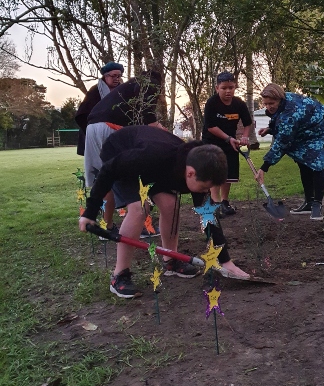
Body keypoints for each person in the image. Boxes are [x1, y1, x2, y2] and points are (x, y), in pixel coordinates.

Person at [79, 126, 250, 298]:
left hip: (156, 168)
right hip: (120, 153)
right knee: (140, 209)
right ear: (190, 173)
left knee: (170, 205)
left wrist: (225, 260)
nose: (205, 191)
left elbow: (208, 215)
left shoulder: (197, 166)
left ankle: (171, 261)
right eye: (205, 187)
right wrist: (90, 213)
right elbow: (108, 170)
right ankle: (119, 275)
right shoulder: (150, 156)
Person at [83, 70, 165, 235]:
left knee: (105, 175)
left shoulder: (128, 87)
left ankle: (108, 227)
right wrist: (165, 134)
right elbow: (149, 119)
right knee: (132, 175)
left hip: (92, 128)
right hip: (110, 127)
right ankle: (141, 226)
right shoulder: (149, 85)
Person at [256, 84, 324, 221]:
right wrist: (270, 128)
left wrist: (264, 167)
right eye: (266, 104)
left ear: (280, 99)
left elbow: (282, 143)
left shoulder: (291, 112)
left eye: (271, 103)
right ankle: (309, 202)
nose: (269, 107)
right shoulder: (286, 100)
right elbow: (280, 119)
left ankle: (317, 204)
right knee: (304, 162)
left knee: (318, 164)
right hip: (310, 132)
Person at [75, 61, 124, 232]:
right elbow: (81, 115)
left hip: (117, 137)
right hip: (98, 138)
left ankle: (117, 213)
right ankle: (105, 221)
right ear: (105, 76)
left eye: (119, 76)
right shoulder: (96, 91)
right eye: (113, 76)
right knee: (103, 177)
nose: (116, 79)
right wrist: (94, 133)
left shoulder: (122, 92)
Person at [202, 71, 252, 216]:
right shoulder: (212, 103)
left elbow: (247, 123)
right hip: (212, 142)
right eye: (224, 88)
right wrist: (228, 138)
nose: (228, 91)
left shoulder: (239, 104)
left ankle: (224, 202)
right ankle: (215, 203)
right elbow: (210, 127)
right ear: (217, 88)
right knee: (215, 171)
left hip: (231, 142)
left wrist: (245, 137)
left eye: (231, 87)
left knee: (228, 173)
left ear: (235, 87)